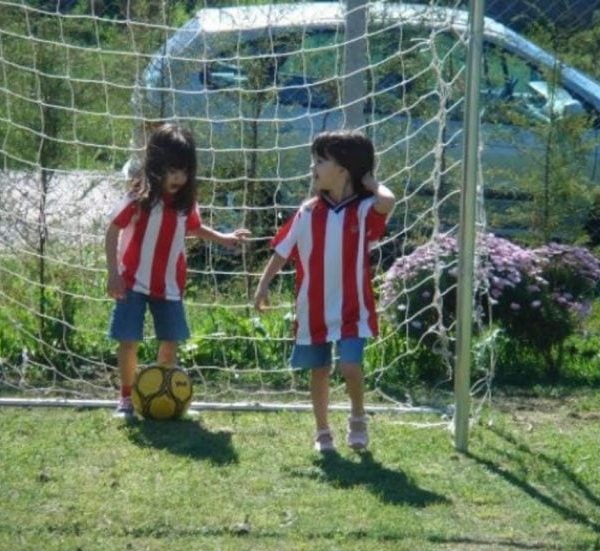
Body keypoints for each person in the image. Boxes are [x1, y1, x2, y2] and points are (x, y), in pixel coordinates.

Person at [253, 130, 395, 452]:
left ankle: (358, 417)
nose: (313, 167)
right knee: (319, 370)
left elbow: (388, 202)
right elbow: (281, 252)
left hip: (352, 308)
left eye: (320, 161)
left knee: (349, 365)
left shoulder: (362, 209)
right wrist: (263, 286)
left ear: (343, 169)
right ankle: (322, 432)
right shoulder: (307, 211)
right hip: (312, 308)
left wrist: (370, 183)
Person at [105, 123, 250, 418]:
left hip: (170, 285)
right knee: (128, 340)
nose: (179, 178)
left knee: (170, 341)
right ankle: (126, 397)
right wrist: (113, 272)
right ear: (157, 166)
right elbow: (112, 230)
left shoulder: (186, 202)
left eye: (184, 171)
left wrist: (224, 238)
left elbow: (194, 228)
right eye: (173, 170)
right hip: (131, 281)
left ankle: (163, 395)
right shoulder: (139, 195)